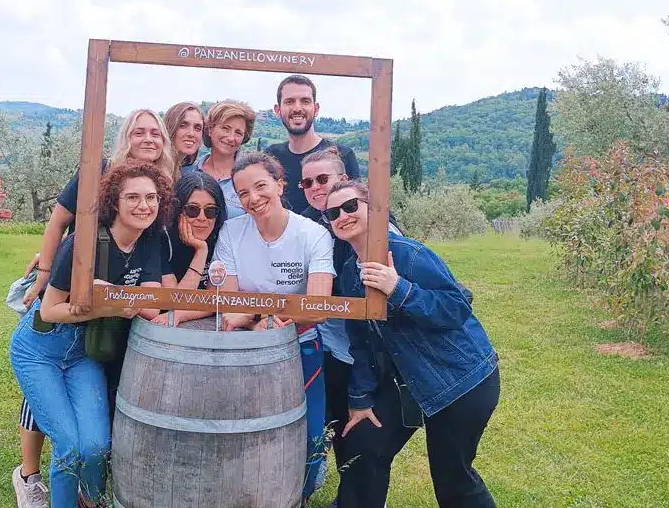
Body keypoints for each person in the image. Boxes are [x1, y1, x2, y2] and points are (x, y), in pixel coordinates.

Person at [12, 108, 175, 507]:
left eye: (151, 198)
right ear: (114, 202)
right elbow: (50, 311)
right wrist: (103, 303)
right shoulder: (82, 244)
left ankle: (93, 498)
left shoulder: (150, 240)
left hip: (84, 354)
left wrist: (125, 300)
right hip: (41, 349)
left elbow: (151, 301)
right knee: (68, 446)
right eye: (133, 198)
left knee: (97, 445)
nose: (143, 205)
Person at [325, 180, 501, 508]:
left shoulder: (407, 253)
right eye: (332, 212)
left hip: (461, 380)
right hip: (408, 383)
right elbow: (360, 342)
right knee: (364, 445)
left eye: (350, 206)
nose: (342, 216)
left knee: (453, 476)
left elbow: (456, 307)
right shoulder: (350, 274)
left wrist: (399, 288)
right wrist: (360, 400)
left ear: (373, 210)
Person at [209, 151, 335, 507]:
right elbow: (229, 301)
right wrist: (258, 317)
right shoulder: (232, 232)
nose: (253, 199)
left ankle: (302, 495)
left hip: (302, 347)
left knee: (312, 436)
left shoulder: (313, 234)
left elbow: (319, 305)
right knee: (245, 436)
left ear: (280, 185)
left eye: (261, 186)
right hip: (247, 349)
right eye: (243, 193)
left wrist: (259, 313)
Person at [296, 146, 404, 507]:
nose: (314, 186)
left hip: (382, 358)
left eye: (323, 179)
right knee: (345, 432)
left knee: (367, 440)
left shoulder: (382, 235)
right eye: (307, 181)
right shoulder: (319, 227)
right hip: (339, 349)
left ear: (344, 181)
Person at [263, 74, 360, 213]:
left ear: (316, 109)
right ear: (278, 110)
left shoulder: (343, 155)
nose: (297, 108)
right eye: (289, 101)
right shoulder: (271, 156)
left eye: (305, 101)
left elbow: (358, 205)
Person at [153, 170, 228, 326]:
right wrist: (201, 252)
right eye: (192, 210)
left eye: (210, 211)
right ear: (178, 210)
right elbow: (177, 302)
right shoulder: (161, 239)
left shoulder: (223, 239)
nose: (202, 218)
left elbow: (216, 299)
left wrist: (180, 316)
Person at [183, 99, 256, 219]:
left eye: (238, 133)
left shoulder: (251, 177)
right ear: (210, 129)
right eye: (225, 128)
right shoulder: (187, 173)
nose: (231, 138)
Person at [163, 101, 205, 177]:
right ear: (169, 128)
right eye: (183, 126)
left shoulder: (186, 172)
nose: (191, 134)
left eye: (197, 128)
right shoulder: (156, 172)